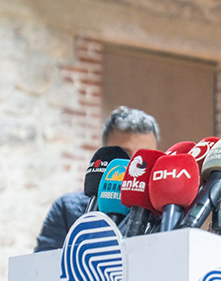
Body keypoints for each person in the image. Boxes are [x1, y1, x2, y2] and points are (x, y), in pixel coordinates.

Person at [34, 106, 160, 252]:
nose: (133, 164)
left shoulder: (163, 214)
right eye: (125, 154)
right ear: (104, 154)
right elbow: (43, 263)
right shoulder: (67, 208)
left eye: (143, 157)